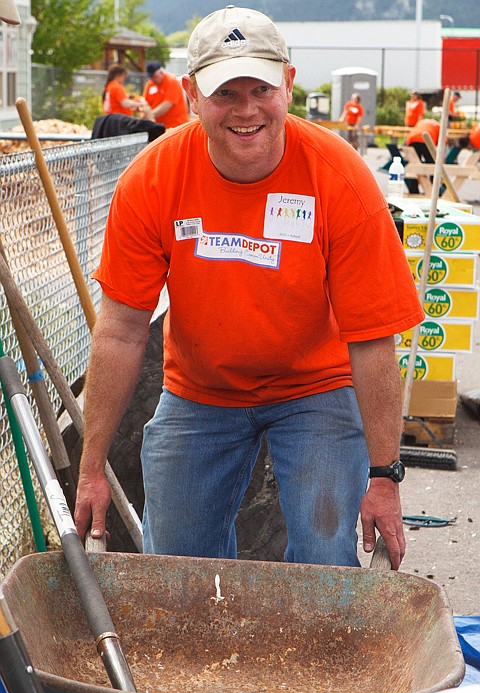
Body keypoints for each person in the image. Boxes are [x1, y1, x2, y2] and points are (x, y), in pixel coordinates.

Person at [74, 5, 424, 571]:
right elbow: (119, 330)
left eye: (260, 88)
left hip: (316, 386)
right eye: (224, 93)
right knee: (178, 567)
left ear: (287, 83)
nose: (246, 111)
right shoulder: (154, 179)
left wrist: (384, 476)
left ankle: (313, 652)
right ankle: (206, 655)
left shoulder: (339, 180)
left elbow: (372, 338)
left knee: (323, 555)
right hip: (200, 390)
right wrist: (92, 468)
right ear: (190, 94)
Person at [142, 61, 190, 128]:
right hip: (160, 126)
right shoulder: (150, 84)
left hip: (175, 125)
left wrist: (150, 115)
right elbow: (145, 102)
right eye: (151, 77)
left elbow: (167, 105)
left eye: (154, 76)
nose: (153, 79)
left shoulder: (171, 81)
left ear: (161, 72)